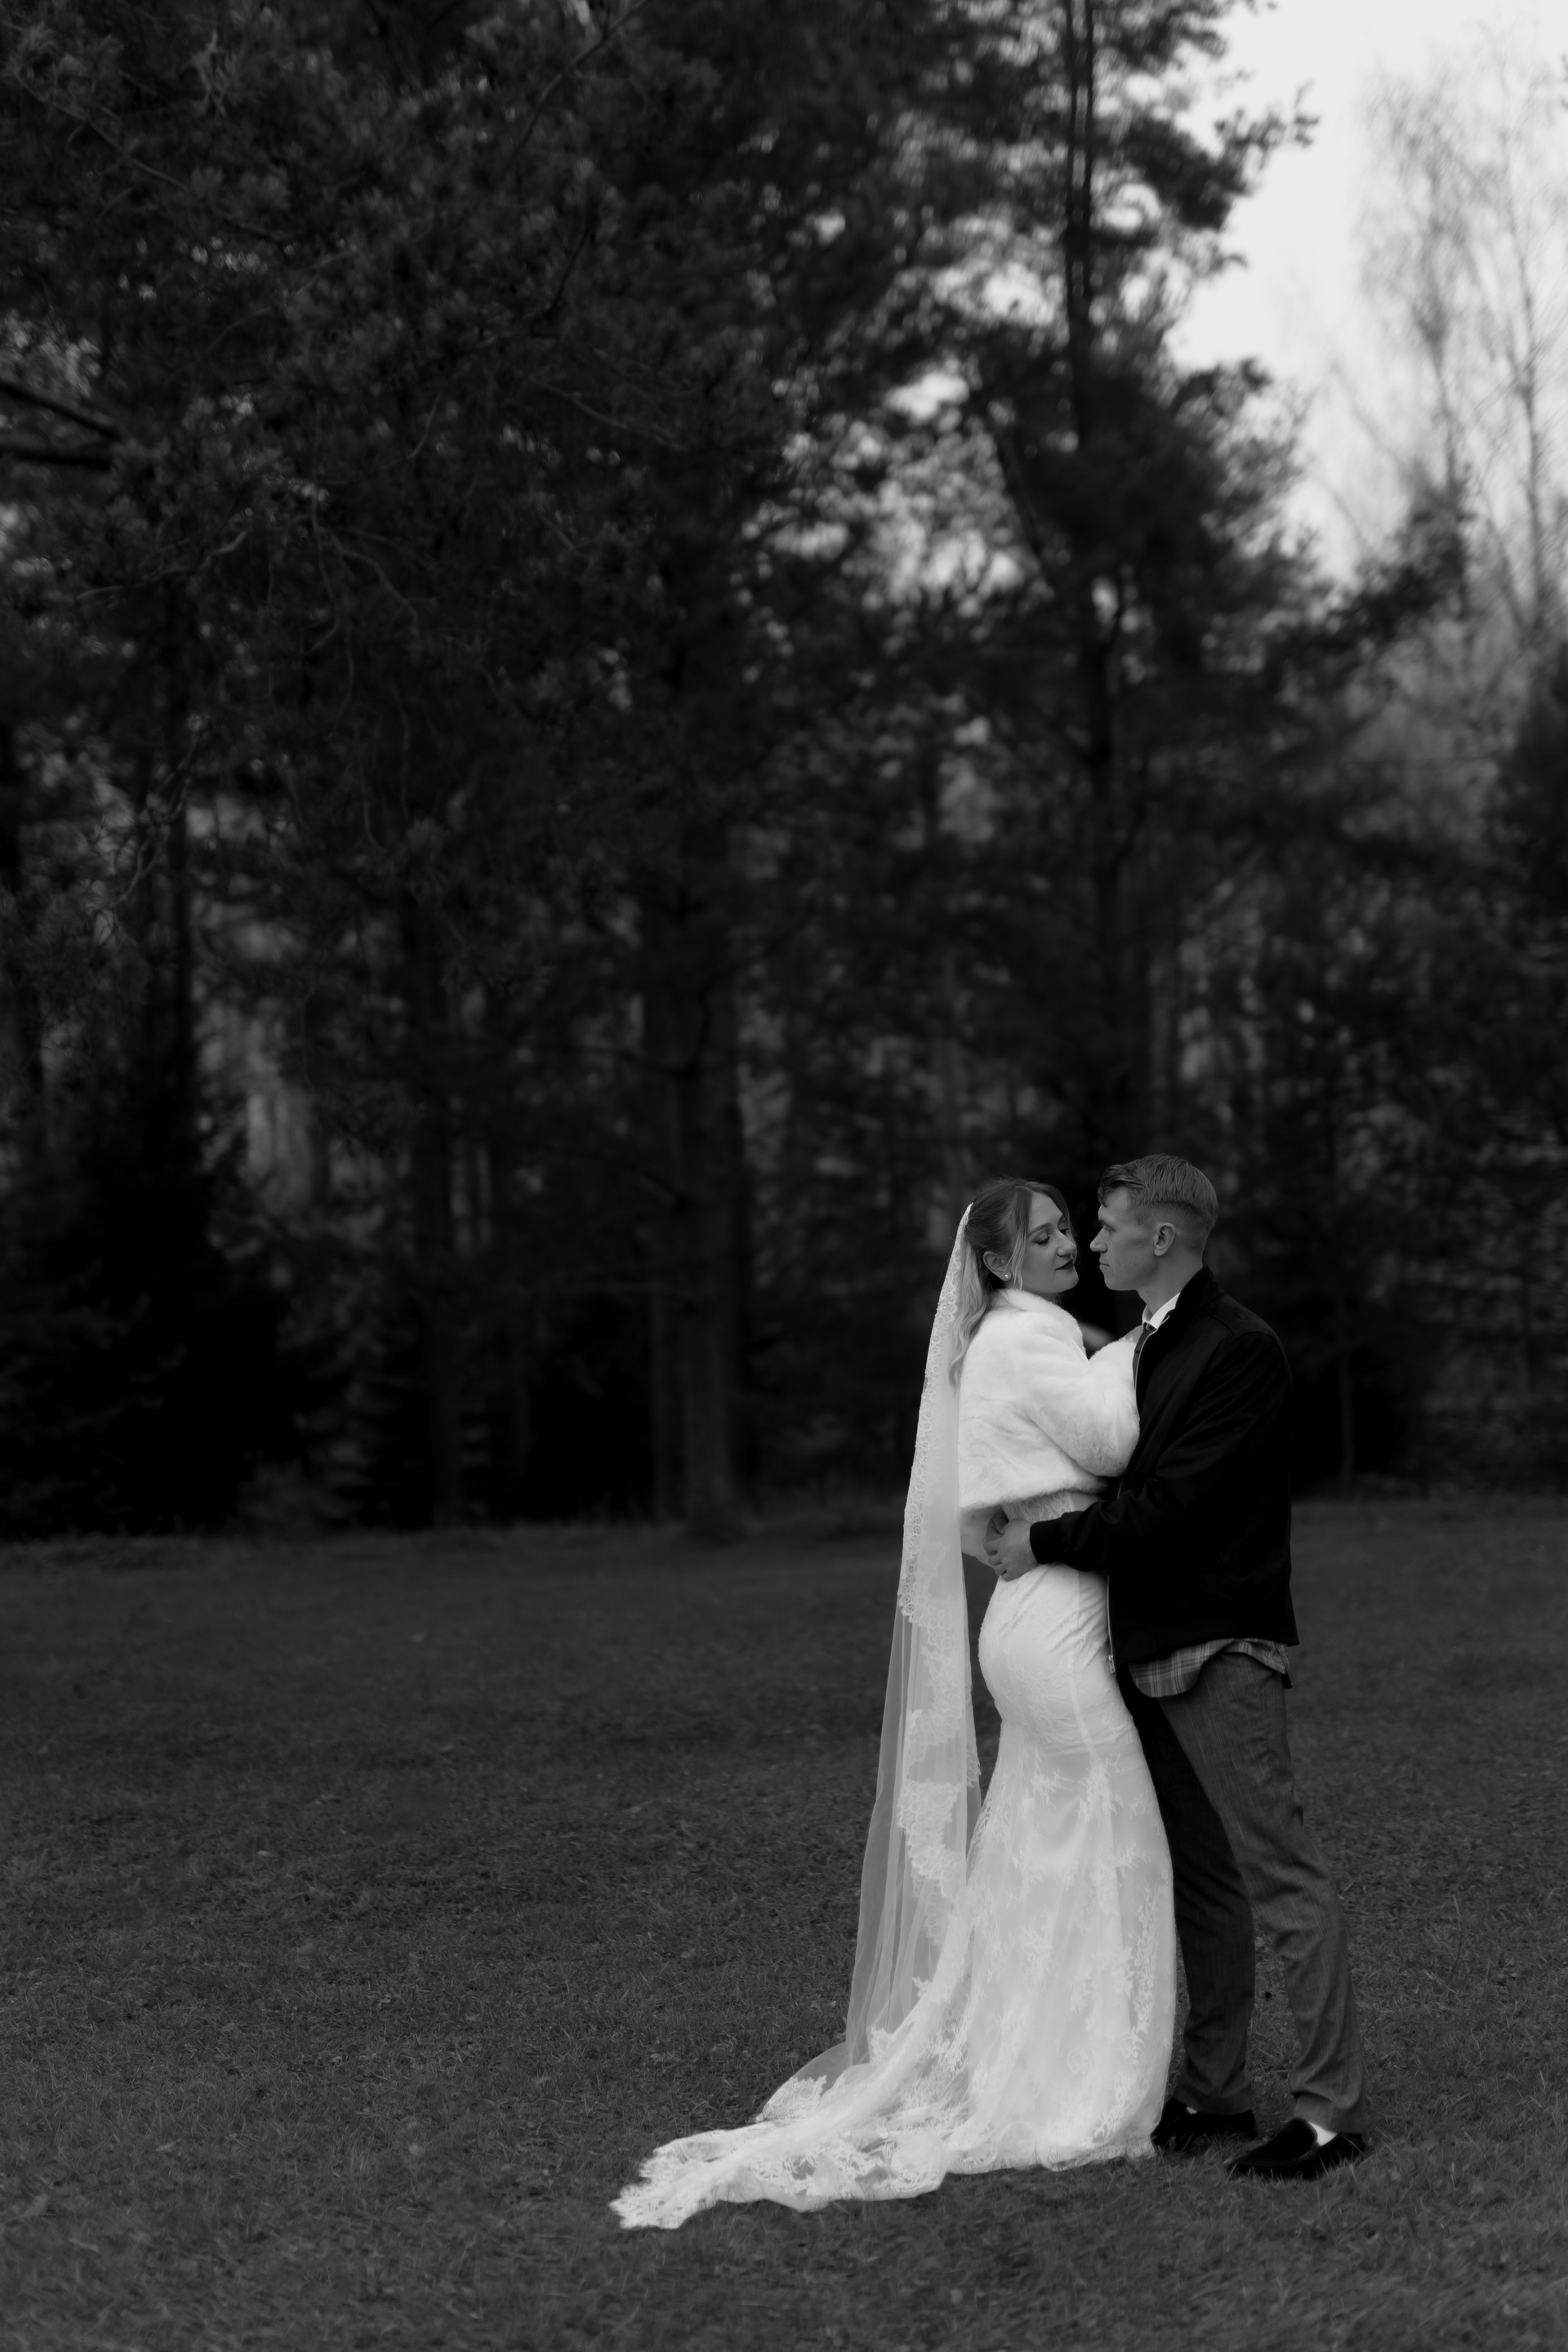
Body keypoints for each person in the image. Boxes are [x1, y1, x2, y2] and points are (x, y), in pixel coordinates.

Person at [612, 1178, 1176, 2230]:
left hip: (1022, 1615)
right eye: (1044, 1234)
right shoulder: (1035, 1335)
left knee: (1040, 1849)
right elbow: (1110, 1447)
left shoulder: (998, 1343)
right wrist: (1132, 1350)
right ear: (1000, 1263)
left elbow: (977, 1511)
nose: (1066, 1244)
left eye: (1068, 1227)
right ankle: (1091, 2083)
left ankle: (1033, 2055)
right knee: (1121, 1835)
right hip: (1055, 1625)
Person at [987, 1155, 1370, 2181]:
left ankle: (1330, 2116)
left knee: (1278, 1871)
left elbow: (1168, 1510)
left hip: (1221, 1644)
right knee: (1201, 1881)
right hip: (1141, 1646)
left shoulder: (1239, 1349)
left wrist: (1043, 1541)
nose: (1093, 1242)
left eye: (1106, 1225)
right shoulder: (1142, 1345)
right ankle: (1213, 2092)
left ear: (1160, 1238)